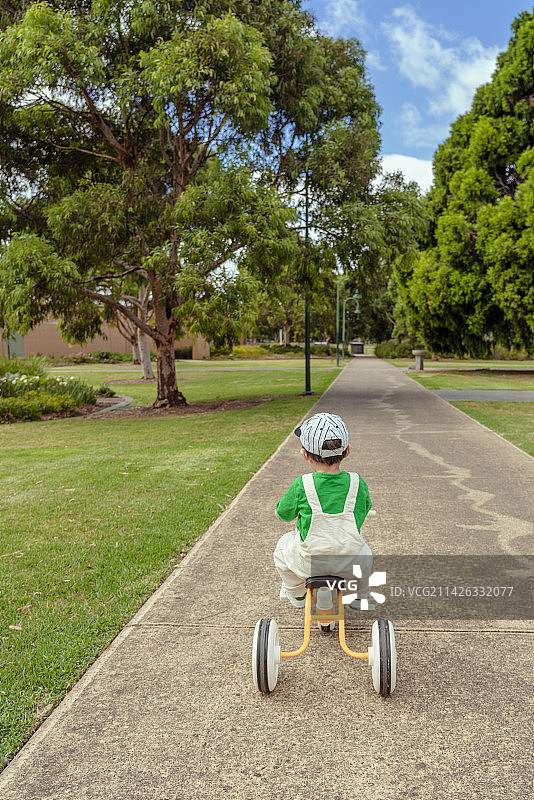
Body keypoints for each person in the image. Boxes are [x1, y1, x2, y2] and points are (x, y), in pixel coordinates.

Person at [273, 412, 372, 608]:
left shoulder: (302, 484)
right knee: (366, 555)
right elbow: (365, 508)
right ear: (347, 450)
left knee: (282, 548)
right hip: (349, 564)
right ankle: (360, 595)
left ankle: (297, 593)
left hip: (309, 564)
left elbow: (283, 514)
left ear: (304, 454)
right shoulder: (357, 483)